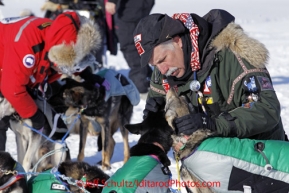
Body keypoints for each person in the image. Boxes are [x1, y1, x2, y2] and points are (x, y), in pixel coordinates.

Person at [133, 10, 287, 142]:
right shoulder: (165, 70)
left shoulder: (233, 55)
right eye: (155, 65)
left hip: (263, 156)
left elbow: (266, 108)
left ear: (177, 41)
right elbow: (158, 118)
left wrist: (212, 124)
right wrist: (152, 121)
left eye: (162, 59)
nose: (162, 69)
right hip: (212, 160)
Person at [0, 11, 109, 151]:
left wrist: (87, 75)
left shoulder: (55, 36)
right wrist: (33, 115)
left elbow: (69, 54)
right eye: (66, 66)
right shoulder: (28, 47)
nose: (66, 71)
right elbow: (12, 89)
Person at [105, 0, 155, 96]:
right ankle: (148, 77)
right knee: (139, 42)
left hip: (130, 7)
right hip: (142, 5)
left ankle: (140, 86)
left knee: (129, 45)